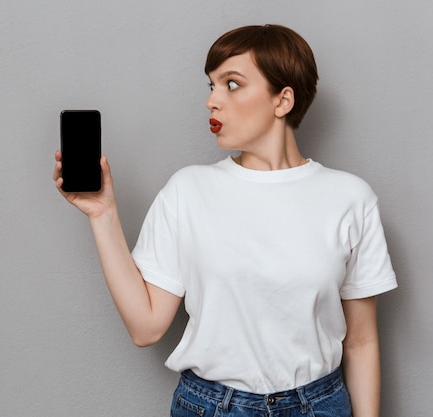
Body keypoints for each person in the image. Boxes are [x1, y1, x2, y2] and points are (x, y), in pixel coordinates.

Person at [53, 24, 397, 417]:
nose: (212, 101)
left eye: (231, 84)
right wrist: (103, 214)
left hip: (319, 406)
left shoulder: (350, 198)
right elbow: (146, 327)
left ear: (282, 100)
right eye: (211, 86)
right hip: (212, 408)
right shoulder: (188, 190)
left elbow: (361, 342)